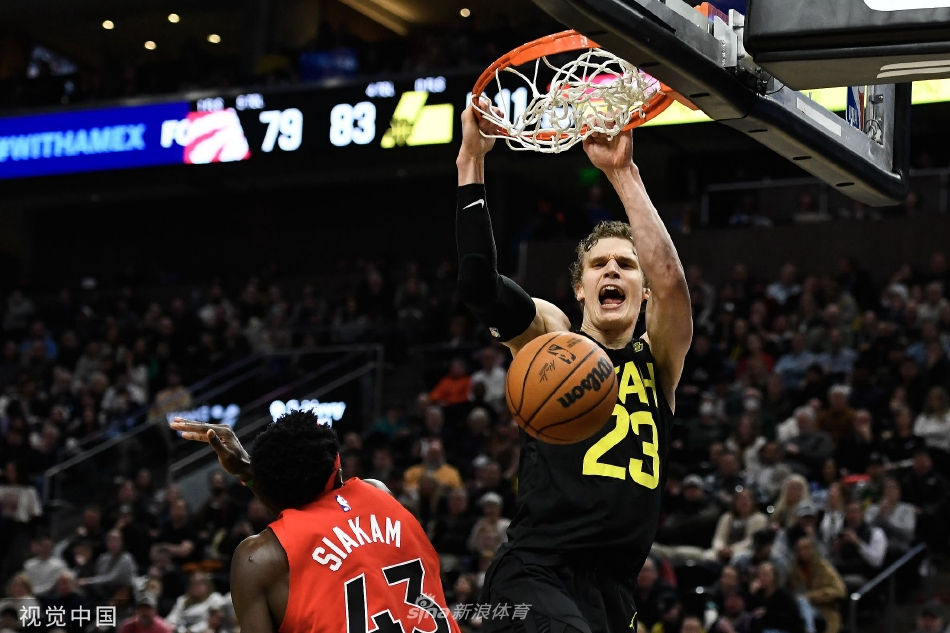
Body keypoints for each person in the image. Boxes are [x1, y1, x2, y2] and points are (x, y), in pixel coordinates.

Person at [455, 97, 692, 633]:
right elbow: (478, 286)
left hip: (613, 593)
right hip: (537, 572)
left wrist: (623, 173)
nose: (612, 270)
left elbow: (673, 282)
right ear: (580, 289)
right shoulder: (553, 337)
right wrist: (472, 161)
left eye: (626, 264)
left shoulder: (658, 358)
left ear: (643, 291)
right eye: (598, 264)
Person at [170, 413, 460, 633]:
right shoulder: (379, 493)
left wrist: (251, 473)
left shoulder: (258, 558)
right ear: (338, 470)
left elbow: (300, 527)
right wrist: (251, 473)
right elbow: (313, 520)